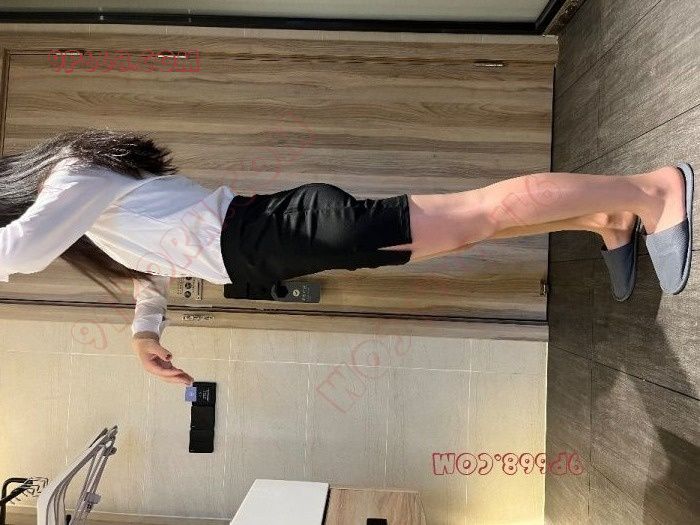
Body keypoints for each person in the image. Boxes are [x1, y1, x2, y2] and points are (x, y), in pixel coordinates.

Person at [0, 129, 693, 385]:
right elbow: (150, 266)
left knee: (477, 212)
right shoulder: (74, 203)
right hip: (277, 245)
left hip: (288, 231)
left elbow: (21, 252)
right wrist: (144, 330)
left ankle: (653, 190)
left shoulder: (70, 174)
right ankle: (603, 216)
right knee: (471, 229)